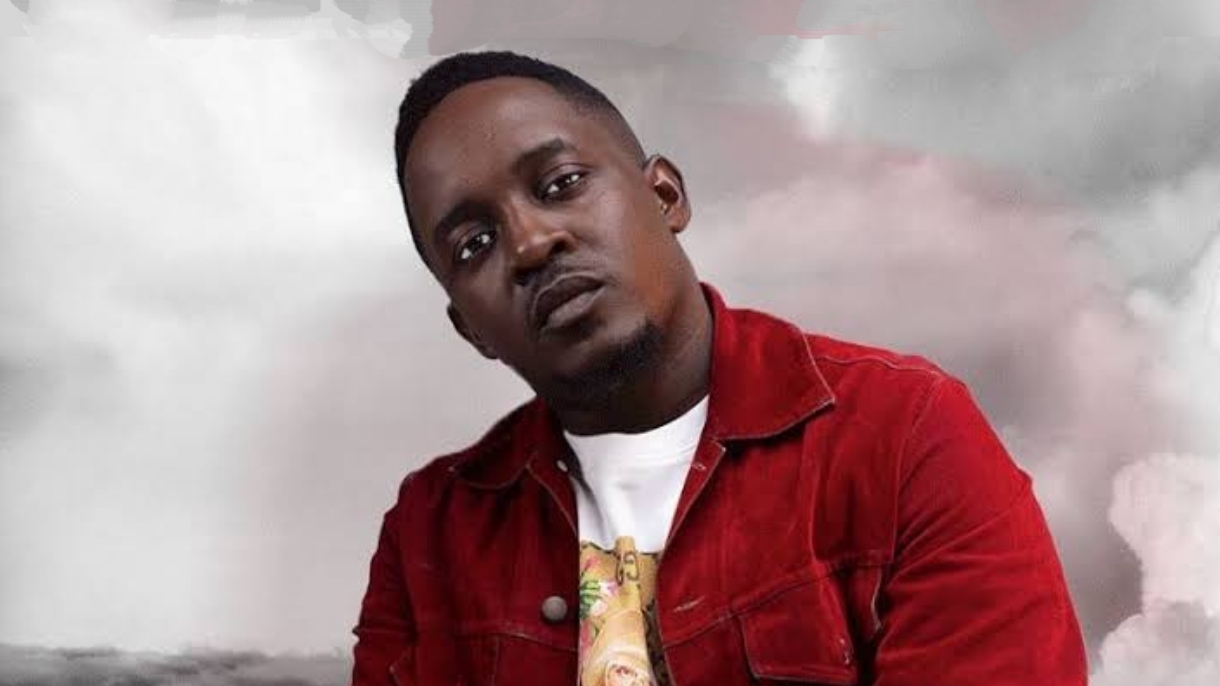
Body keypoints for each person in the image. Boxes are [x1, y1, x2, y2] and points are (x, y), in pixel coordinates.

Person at [351, 50, 1088, 686]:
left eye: (561, 183)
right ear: (470, 328)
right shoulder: (430, 531)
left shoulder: (902, 435)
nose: (531, 243)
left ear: (665, 195)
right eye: (474, 245)